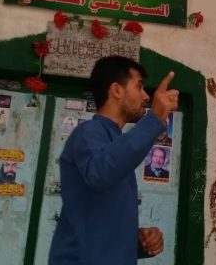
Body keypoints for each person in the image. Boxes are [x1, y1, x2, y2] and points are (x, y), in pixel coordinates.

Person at [49, 55, 179, 265]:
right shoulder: (88, 132)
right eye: (139, 87)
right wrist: (154, 119)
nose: (146, 96)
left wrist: (139, 241)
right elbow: (100, 172)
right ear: (116, 90)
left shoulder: (116, 142)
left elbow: (100, 225)